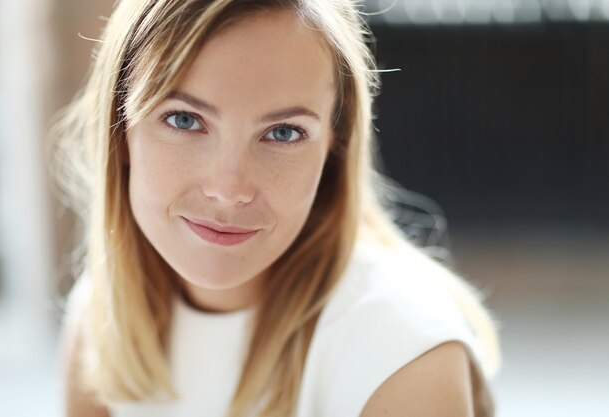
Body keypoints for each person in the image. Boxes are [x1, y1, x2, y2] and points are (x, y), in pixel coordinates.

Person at [56, 0, 502, 416]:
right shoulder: (100, 319)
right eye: (184, 119)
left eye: (283, 132)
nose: (228, 190)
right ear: (121, 130)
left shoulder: (403, 352)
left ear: (334, 146)